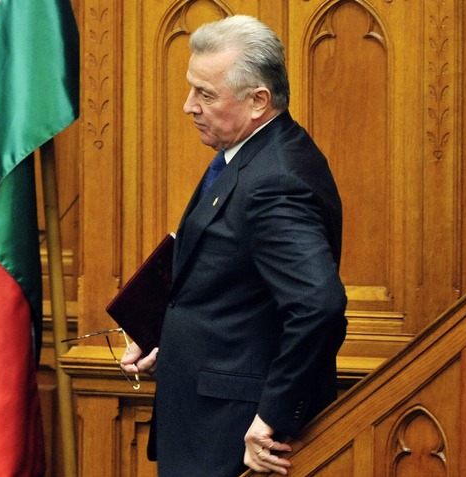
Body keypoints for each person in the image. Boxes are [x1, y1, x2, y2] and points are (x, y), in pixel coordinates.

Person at [121, 14, 347, 477]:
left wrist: (273, 416)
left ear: (258, 100)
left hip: (236, 438)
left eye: (205, 94)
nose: (189, 106)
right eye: (192, 89)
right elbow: (235, 292)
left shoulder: (275, 179)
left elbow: (318, 306)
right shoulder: (249, 157)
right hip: (205, 422)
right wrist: (166, 340)